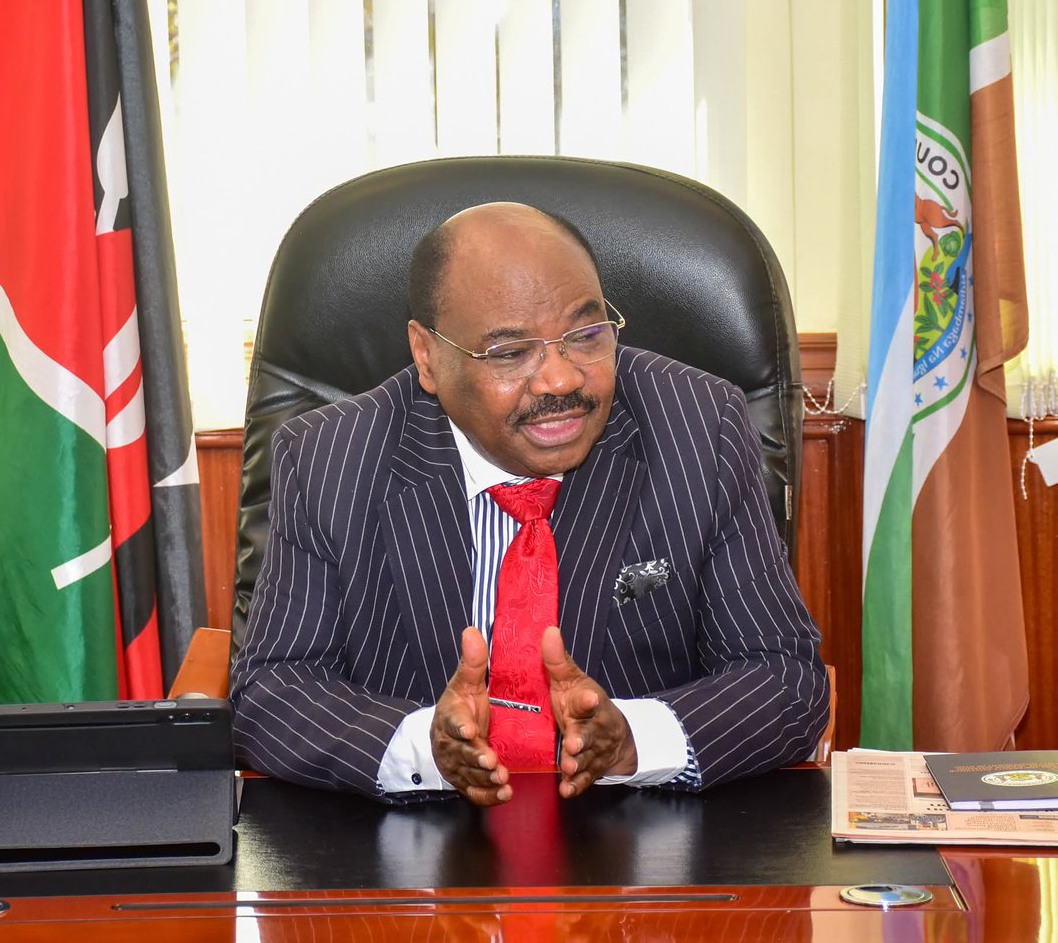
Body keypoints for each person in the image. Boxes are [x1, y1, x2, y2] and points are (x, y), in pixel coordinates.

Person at [231, 202, 829, 805]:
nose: (561, 380)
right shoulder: (331, 457)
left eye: (586, 335)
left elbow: (783, 676)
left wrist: (633, 741)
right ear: (426, 356)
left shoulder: (698, 427)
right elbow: (272, 690)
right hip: (416, 857)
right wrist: (422, 747)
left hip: (637, 842)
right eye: (511, 353)